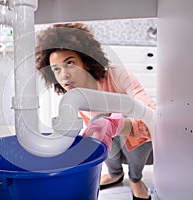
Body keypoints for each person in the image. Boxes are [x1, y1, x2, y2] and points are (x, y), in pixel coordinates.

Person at [35, 22, 155, 200]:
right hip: (116, 151)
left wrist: (116, 123)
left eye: (70, 63)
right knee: (97, 122)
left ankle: (135, 179)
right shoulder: (74, 96)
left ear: (86, 61)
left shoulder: (118, 75)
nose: (64, 75)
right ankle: (115, 173)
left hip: (145, 147)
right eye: (56, 69)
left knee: (112, 117)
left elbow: (150, 114)